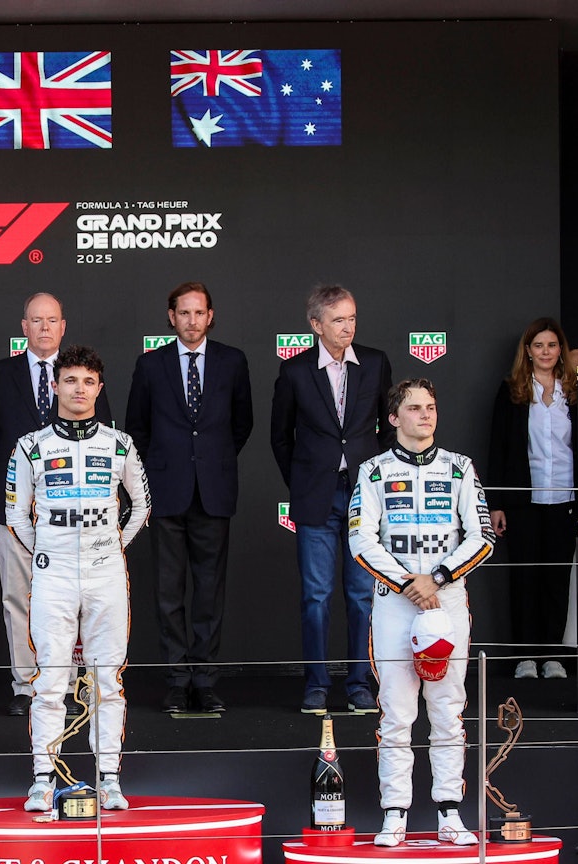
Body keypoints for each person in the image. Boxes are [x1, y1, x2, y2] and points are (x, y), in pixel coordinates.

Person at [349, 378, 494, 848]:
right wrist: (409, 583)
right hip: (395, 601)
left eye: (430, 407)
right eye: (414, 408)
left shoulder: (460, 468)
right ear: (393, 419)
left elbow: (483, 536)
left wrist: (439, 578)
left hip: (446, 598)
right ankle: (396, 813)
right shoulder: (372, 471)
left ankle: (450, 812)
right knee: (396, 710)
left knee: (448, 708)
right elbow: (360, 540)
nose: (425, 415)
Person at [7, 346, 150, 813]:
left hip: (107, 573)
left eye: (88, 382)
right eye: (70, 381)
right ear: (55, 386)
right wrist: (49, 553)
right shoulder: (30, 446)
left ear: (99, 388)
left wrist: (112, 546)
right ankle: (42, 779)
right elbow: (17, 515)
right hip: (54, 576)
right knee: (49, 679)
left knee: (108, 678)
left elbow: (142, 506)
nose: (79, 390)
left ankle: (108, 778)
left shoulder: (120, 443)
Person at [0, 293, 113, 716]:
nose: (45, 327)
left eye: (52, 320)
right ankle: (26, 686)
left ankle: (64, 685)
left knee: (67, 601)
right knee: (18, 599)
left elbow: (104, 440)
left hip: (73, 509)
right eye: (36, 320)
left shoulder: (81, 376)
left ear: (63, 326)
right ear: (24, 326)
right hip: (11, 508)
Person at [125, 282, 253, 714]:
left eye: (199, 313)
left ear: (210, 316)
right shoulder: (150, 365)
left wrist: (208, 462)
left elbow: (242, 424)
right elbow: (136, 429)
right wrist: (170, 465)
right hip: (166, 492)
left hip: (214, 493)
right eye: (184, 313)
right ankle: (177, 679)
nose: (192, 321)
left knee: (209, 593)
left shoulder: (232, 361)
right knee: (168, 593)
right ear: (171, 316)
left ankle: (205, 679)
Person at [269, 284, 392, 715]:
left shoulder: (375, 364)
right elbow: (280, 437)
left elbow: (389, 430)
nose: (347, 327)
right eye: (338, 320)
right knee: (316, 596)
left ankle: (361, 683)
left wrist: (378, 484)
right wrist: (302, 483)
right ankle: (317, 684)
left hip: (364, 498)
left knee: (362, 595)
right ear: (316, 324)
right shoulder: (296, 371)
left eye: (352, 318)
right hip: (315, 497)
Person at [489, 319, 578, 680]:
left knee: (555, 581)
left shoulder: (572, 393)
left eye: (552, 345)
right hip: (523, 501)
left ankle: (552, 656)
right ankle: (524, 657)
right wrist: (497, 503)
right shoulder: (511, 391)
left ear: (561, 351)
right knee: (524, 580)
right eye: (538, 345)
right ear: (527, 351)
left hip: (565, 499)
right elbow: (498, 448)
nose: (545, 352)